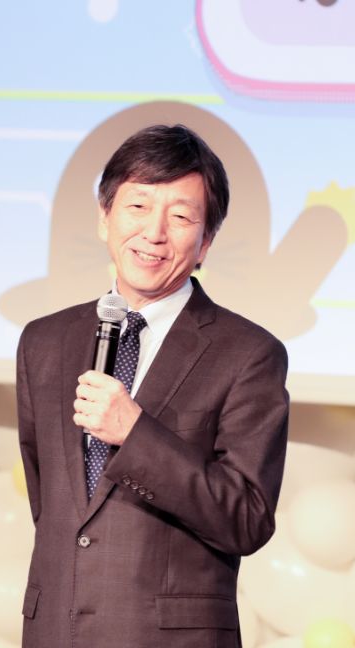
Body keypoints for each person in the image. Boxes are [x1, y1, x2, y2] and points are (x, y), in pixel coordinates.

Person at [17, 124, 289, 648]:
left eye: (181, 216)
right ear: (105, 217)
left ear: (206, 241)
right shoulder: (43, 342)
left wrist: (136, 433)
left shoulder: (248, 354)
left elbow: (248, 519)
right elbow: (50, 503)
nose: (154, 233)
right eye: (137, 207)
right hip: (54, 630)